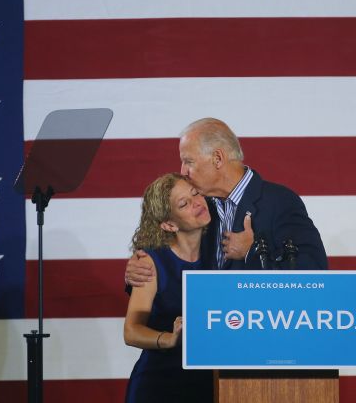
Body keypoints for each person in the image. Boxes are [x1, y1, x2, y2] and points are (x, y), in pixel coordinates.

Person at [126, 117, 327, 285]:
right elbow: (172, 248)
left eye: (189, 161)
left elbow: (313, 273)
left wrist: (251, 252)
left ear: (218, 159)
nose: (183, 172)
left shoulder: (279, 202)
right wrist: (140, 266)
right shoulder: (201, 207)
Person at [123, 173, 213, 402]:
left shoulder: (219, 253)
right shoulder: (150, 262)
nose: (197, 203)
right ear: (169, 224)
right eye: (184, 204)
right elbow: (131, 331)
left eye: (196, 194)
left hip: (208, 385)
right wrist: (170, 340)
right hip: (159, 385)